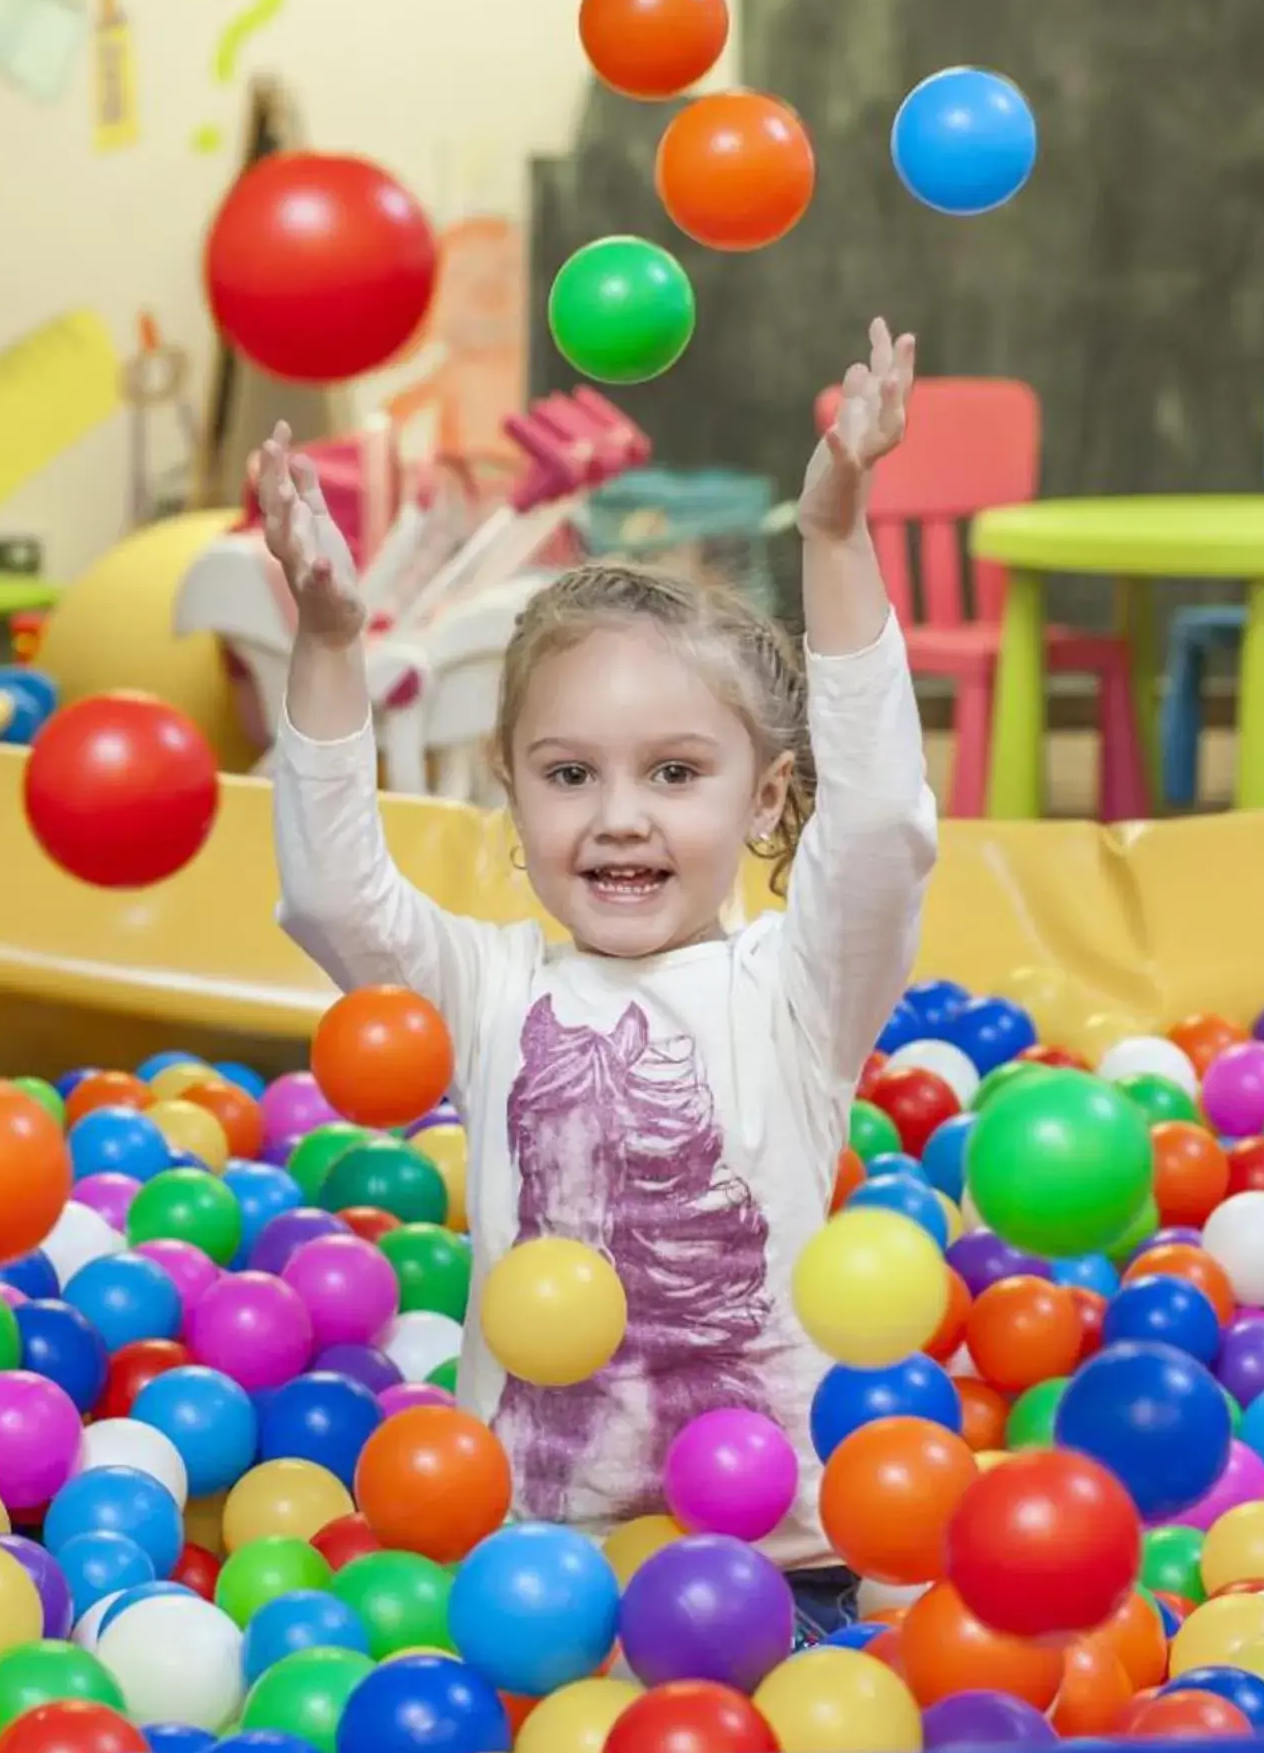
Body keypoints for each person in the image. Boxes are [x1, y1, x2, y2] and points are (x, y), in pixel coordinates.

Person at [261, 318, 940, 1643]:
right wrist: (331, 644)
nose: (620, 817)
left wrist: (837, 541)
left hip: (786, 1566)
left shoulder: (797, 989)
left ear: (765, 801)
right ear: (509, 794)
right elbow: (333, 897)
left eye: (675, 773)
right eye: (571, 774)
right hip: (530, 1565)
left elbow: (880, 834)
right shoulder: (487, 983)